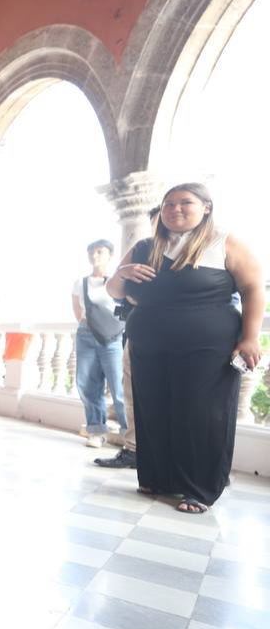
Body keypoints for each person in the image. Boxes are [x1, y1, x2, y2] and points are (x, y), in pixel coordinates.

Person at [107, 183, 264, 513]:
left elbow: (252, 288)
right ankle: (157, 477)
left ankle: (200, 489)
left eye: (185, 203)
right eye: (169, 204)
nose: (175, 209)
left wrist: (250, 338)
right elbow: (114, 291)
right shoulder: (145, 245)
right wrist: (123, 272)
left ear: (206, 207)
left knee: (201, 414)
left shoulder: (224, 242)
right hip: (149, 343)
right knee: (153, 409)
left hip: (209, 346)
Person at [96, 205, 161, 470]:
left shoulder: (198, 255)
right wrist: (125, 277)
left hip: (180, 339)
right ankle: (133, 449)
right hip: (139, 331)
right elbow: (116, 290)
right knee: (132, 393)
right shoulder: (143, 250)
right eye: (158, 221)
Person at [72, 239, 127, 449]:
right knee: (87, 383)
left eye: (99, 252)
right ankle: (96, 430)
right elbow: (78, 313)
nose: (95, 256)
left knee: (118, 385)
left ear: (109, 255)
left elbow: (124, 308)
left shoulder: (116, 281)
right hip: (86, 334)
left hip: (112, 336)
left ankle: (128, 434)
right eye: (91, 252)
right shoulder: (80, 283)